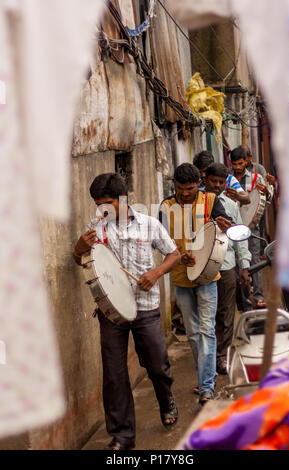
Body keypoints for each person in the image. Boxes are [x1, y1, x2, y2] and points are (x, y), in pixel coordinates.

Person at [73, 173, 181, 451]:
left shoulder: (149, 225)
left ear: (123, 199)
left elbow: (174, 254)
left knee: (157, 363)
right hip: (111, 312)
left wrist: (155, 273)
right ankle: (122, 435)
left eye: (108, 204)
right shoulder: (95, 228)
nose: (103, 210)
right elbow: (80, 259)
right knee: (114, 374)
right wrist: (78, 248)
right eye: (99, 205)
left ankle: (165, 395)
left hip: (146, 307)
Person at [159, 163, 232, 405]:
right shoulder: (166, 207)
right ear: (175, 186)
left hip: (208, 275)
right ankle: (204, 379)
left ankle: (206, 387)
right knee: (192, 333)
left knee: (207, 331)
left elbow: (227, 225)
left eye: (190, 188)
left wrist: (225, 224)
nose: (186, 193)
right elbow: (162, 242)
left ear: (198, 184)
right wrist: (181, 256)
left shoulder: (210, 201)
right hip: (181, 278)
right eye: (181, 188)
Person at [204, 163, 251, 374]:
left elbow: (240, 237)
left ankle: (222, 357)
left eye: (221, 182)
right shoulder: (198, 203)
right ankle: (207, 357)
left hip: (227, 266)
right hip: (203, 267)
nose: (217, 185)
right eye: (213, 181)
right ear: (205, 179)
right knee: (207, 315)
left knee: (226, 313)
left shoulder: (231, 206)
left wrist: (245, 266)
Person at [230, 146, 273, 309]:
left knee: (254, 260)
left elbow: (267, 199)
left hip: (251, 226)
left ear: (246, 161)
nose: (237, 167)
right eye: (234, 164)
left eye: (240, 163)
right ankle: (244, 300)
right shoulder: (227, 178)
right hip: (233, 226)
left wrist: (266, 192)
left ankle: (259, 296)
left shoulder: (256, 177)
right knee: (238, 262)